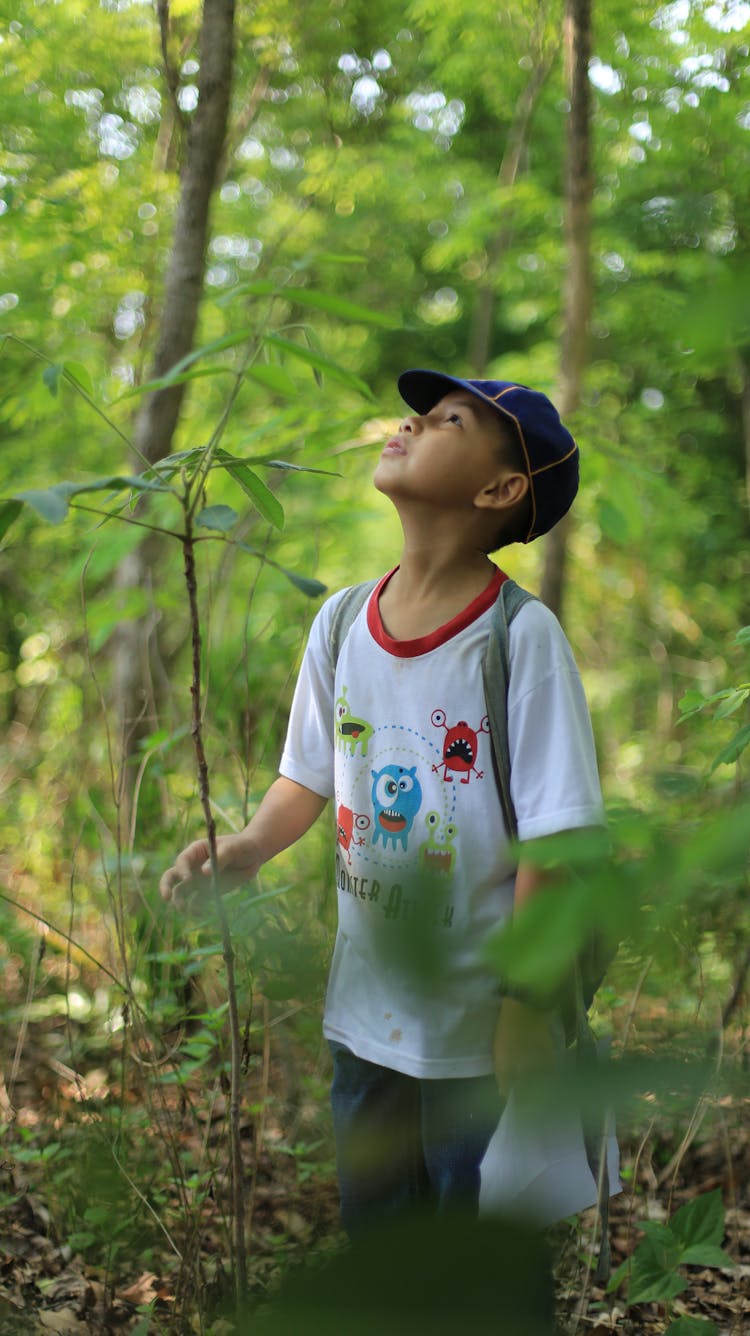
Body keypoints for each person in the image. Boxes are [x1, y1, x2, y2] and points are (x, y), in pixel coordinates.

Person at [159, 368, 604, 1239]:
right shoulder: (342, 622)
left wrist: (521, 1007)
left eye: (444, 419)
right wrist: (248, 845)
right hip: (364, 1016)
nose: (410, 421)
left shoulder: (518, 639)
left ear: (500, 488)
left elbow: (556, 841)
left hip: (480, 1030)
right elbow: (310, 776)